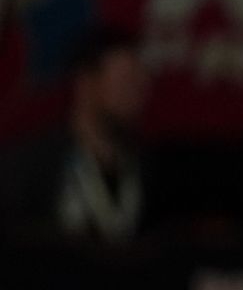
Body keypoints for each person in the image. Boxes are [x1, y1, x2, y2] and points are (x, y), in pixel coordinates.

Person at [0, 27, 158, 243]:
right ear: (85, 83)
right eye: (125, 83)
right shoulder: (31, 165)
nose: (137, 97)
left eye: (140, 85)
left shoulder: (145, 166)